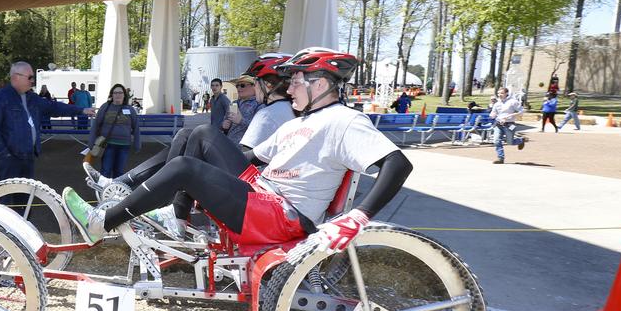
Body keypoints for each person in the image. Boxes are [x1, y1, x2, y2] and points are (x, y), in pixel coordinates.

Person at [63, 47, 413, 259]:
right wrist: (207, 170)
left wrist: (359, 217)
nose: (288, 88)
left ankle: (101, 223)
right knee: (198, 134)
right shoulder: (298, 122)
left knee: (186, 166)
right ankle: (177, 218)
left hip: (284, 216)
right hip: (265, 196)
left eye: (295, 82)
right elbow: (249, 160)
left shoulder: (345, 121)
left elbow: (397, 163)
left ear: (320, 84)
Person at [0, 61, 94, 184]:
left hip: (29, 157)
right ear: (15, 77)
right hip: (9, 160)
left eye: (33, 77)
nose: (32, 81)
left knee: (24, 197)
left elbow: (54, 107)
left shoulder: (32, 98)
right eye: (30, 77)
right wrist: (4, 153)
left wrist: (81, 110)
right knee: (5, 198)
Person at [89, 84, 141, 178]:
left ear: (124, 95)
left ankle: (114, 192)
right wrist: (91, 142)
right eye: (115, 92)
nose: (118, 95)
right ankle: (103, 192)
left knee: (119, 172)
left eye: (120, 92)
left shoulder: (130, 109)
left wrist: (137, 144)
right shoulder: (105, 107)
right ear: (111, 95)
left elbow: (136, 127)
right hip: (107, 145)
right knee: (106, 171)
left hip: (124, 146)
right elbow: (96, 125)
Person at [488, 86, 526, 164]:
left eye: (502, 93)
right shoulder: (497, 104)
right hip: (498, 124)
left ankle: (520, 140)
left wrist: (510, 116)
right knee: (496, 140)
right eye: (498, 93)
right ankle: (500, 158)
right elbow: (493, 112)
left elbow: (521, 111)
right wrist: (492, 115)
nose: (499, 95)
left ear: (506, 94)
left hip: (510, 124)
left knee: (510, 142)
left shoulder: (513, 102)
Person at [226, 75, 261, 144]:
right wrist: (225, 123)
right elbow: (227, 119)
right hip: (229, 143)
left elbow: (260, 129)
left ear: (254, 87)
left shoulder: (259, 104)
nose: (239, 88)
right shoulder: (234, 103)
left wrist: (241, 121)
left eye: (242, 85)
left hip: (244, 149)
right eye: (237, 86)